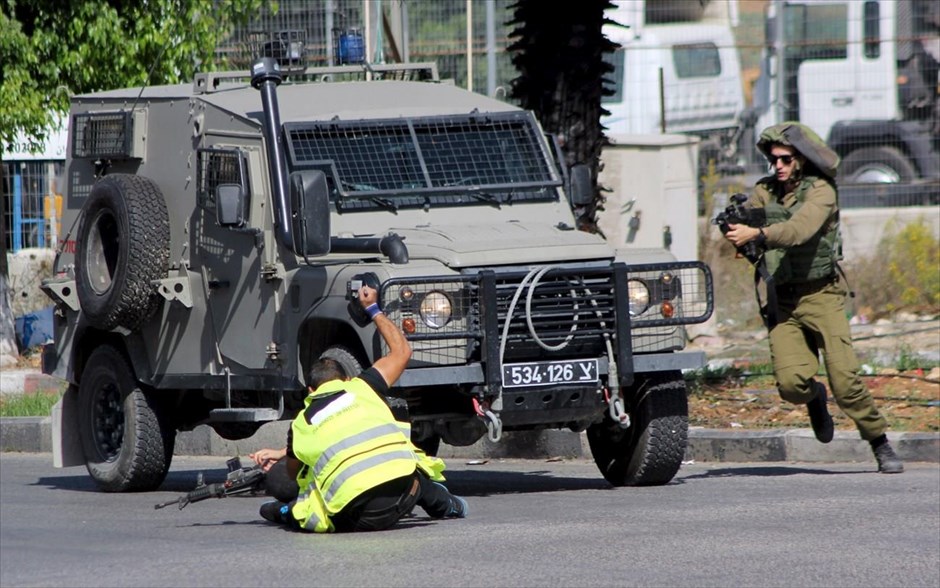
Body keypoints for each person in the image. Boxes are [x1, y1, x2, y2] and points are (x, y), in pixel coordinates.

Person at [722, 122, 903, 474]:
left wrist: (757, 232)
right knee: (791, 386)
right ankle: (814, 398)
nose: (779, 166)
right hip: (783, 302)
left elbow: (798, 229)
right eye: (774, 160)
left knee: (846, 382)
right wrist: (736, 228)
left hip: (822, 295)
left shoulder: (821, 191)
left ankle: (879, 441)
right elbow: (752, 218)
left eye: (786, 160)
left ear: (802, 159)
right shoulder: (765, 191)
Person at [250, 283, 469, 532]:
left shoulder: (302, 422)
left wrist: (286, 456)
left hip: (356, 518)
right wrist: (373, 309)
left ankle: (282, 511)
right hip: (404, 497)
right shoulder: (363, 387)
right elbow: (402, 350)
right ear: (345, 379)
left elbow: (294, 473)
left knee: (307, 507)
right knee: (417, 479)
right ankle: (452, 506)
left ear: (311, 391)